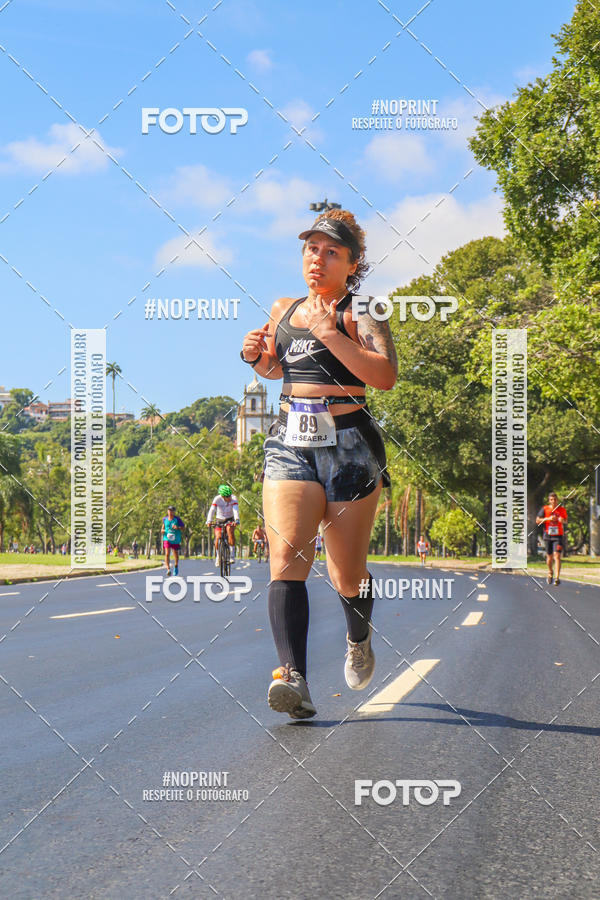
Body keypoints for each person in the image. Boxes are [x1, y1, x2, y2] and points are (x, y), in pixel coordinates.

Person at [241, 209, 397, 719]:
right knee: (287, 557)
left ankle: (358, 637)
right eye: (312, 248)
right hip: (290, 441)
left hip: (350, 446)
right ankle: (294, 679)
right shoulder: (284, 309)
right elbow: (279, 367)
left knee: (346, 576)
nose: (318, 259)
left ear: (352, 264)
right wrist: (256, 357)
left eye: (332, 252)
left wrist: (332, 334)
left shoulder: (364, 309)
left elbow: (384, 376)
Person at [536, 492, 568, 585]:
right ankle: (550, 571)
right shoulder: (545, 509)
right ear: (549, 500)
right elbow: (537, 520)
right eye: (551, 500)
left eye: (555, 499)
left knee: (557, 556)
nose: (553, 501)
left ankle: (557, 578)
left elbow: (566, 521)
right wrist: (548, 519)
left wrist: (562, 520)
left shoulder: (561, 510)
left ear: (557, 500)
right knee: (549, 557)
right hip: (548, 535)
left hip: (558, 536)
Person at [206, 485, 240, 565]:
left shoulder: (234, 498)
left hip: (230, 519)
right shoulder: (217, 499)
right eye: (227, 496)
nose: (229, 498)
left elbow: (235, 510)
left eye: (230, 495)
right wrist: (209, 521)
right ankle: (218, 556)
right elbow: (212, 510)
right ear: (222, 496)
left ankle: (232, 555)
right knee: (218, 537)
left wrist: (236, 520)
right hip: (219, 519)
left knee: (230, 531)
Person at [161, 505, 184, 576]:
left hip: (175, 539)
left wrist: (177, 527)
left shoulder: (177, 519)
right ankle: (168, 569)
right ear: (167, 511)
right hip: (167, 539)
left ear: (174, 512)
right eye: (169, 510)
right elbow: (162, 529)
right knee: (167, 553)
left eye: (172, 511)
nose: (170, 512)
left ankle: (176, 566)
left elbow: (183, 528)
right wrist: (163, 531)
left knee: (175, 554)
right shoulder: (164, 519)